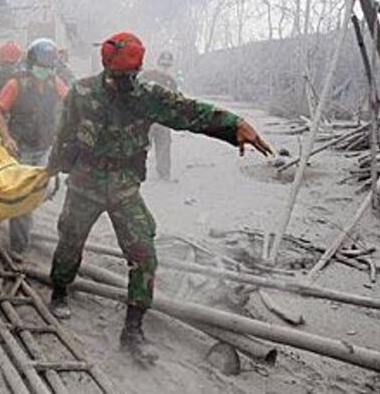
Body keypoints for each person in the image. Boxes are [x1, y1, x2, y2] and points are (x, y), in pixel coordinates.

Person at [45, 32, 272, 363]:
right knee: (70, 241)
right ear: (107, 66)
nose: (127, 82)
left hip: (124, 185)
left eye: (132, 75)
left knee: (144, 254)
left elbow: (190, 112)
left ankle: (133, 330)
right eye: (121, 75)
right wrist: (52, 170)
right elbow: (63, 134)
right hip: (85, 181)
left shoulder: (146, 96)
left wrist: (234, 125)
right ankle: (60, 291)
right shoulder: (81, 92)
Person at [0, 38, 69, 261]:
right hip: (21, 148)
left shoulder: (55, 83)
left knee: (41, 191)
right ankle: (19, 247)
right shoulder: (16, 84)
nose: (44, 71)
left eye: (48, 67)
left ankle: (22, 226)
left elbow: (70, 103)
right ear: (31, 63)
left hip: (44, 146)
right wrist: (6, 137)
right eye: (41, 66)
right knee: (23, 197)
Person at [140, 51, 179, 181]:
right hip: (147, 119)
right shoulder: (147, 76)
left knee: (164, 146)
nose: (165, 67)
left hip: (163, 120)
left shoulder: (171, 81)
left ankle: (164, 174)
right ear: (158, 63)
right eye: (163, 64)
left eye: (168, 65)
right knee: (142, 146)